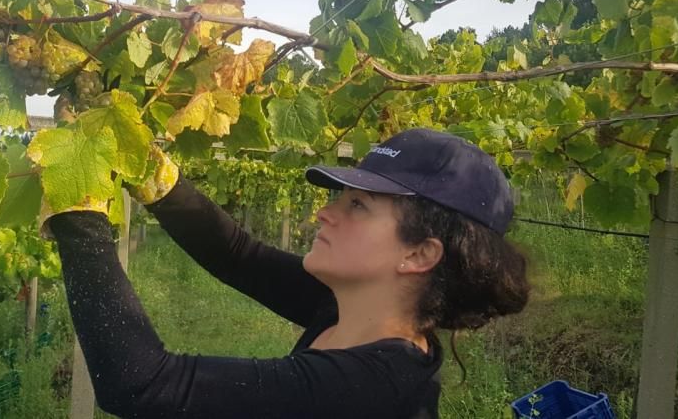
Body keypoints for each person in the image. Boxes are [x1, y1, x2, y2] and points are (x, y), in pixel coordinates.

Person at [42, 128, 531, 418]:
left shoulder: (375, 389)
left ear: (420, 255)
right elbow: (238, 254)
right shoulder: (350, 311)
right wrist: (158, 178)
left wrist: (78, 213)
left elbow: (140, 384)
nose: (325, 213)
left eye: (358, 205)